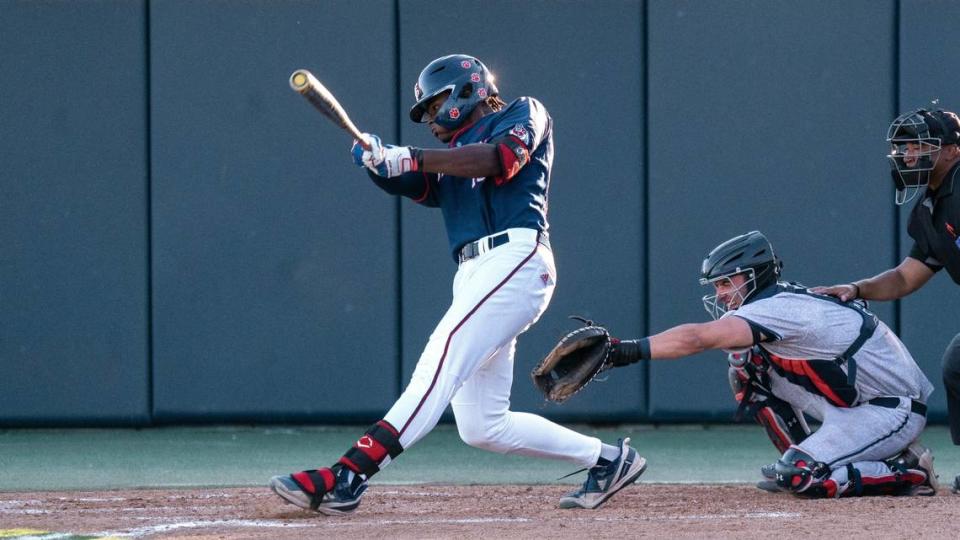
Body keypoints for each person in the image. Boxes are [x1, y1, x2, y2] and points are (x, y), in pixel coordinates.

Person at [269, 54, 645, 514]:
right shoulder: (449, 159)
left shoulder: (522, 111)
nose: (430, 118)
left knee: (440, 359)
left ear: (469, 89)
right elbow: (422, 187)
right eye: (425, 112)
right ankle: (608, 460)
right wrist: (378, 163)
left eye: (434, 105)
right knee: (483, 426)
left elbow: (498, 160)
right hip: (474, 272)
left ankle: (348, 475)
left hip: (516, 258)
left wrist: (411, 157)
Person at [604, 231, 937, 498]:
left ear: (753, 276)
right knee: (746, 364)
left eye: (725, 282)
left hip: (892, 410)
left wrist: (625, 351)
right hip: (855, 400)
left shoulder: (780, 307)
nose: (720, 294)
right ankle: (802, 452)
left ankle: (907, 469)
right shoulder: (776, 299)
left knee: (801, 477)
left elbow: (697, 338)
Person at [813, 108, 960, 493]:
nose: (910, 155)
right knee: (957, 365)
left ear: (952, 151)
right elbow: (905, 276)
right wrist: (857, 288)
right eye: (905, 147)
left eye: (920, 145)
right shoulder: (931, 207)